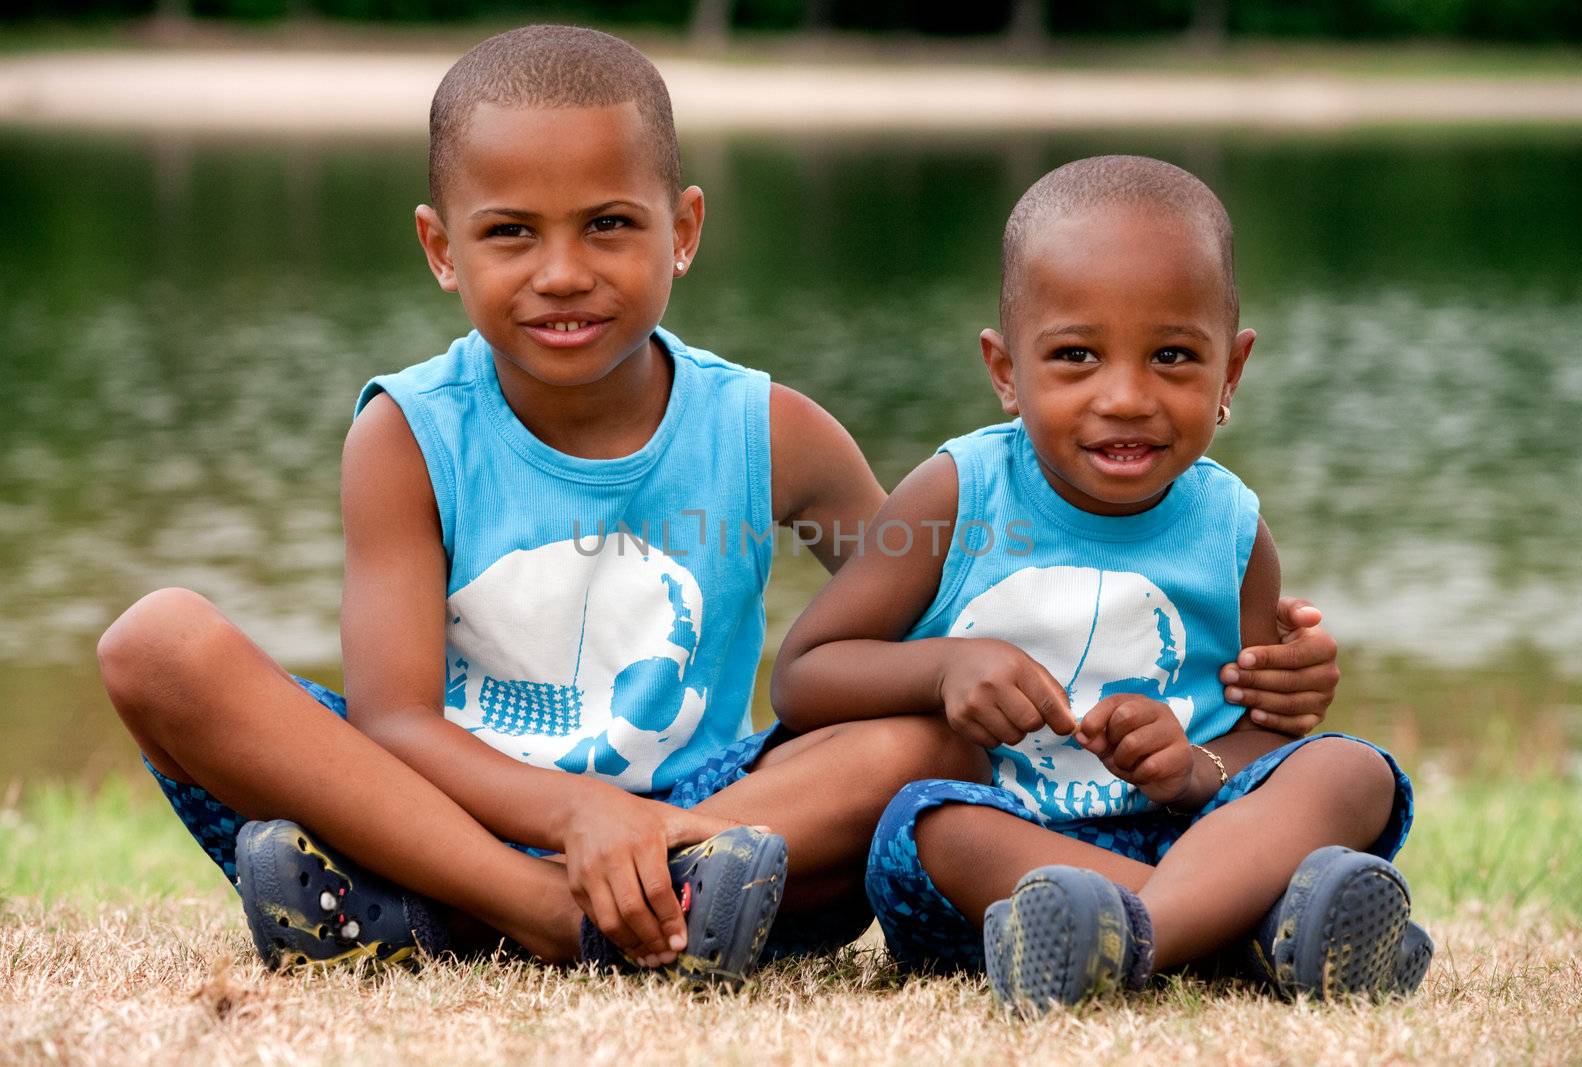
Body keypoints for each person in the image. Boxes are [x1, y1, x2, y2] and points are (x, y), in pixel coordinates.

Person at [96, 26, 1340, 988]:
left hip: (722, 819)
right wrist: (576, 822)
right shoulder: (406, 435)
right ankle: (539, 911)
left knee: (922, 744)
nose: (564, 270)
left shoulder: (770, 432)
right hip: (453, 809)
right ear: (441, 248)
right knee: (158, 642)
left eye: (610, 225)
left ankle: (424, 913)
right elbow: (397, 723)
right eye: (511, 233)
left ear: (682, 229)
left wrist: (1238, 677)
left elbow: (922, 637)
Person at [772, 155, 1430, 1010]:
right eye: (1077, 356)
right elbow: (804, 674)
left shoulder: (1231, 527)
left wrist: (1193, 765)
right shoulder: (955, 494)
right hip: (1007, 857)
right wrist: (942, 669)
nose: (1125, 397)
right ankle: (1249, 935)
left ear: (1230, 372)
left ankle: (1133, 941)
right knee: (927, 821)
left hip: (1184, 842)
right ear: (1006, 370)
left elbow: (1261, 739)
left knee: (1351, 770)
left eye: (1172, 356)